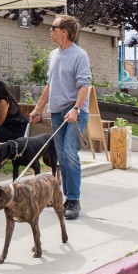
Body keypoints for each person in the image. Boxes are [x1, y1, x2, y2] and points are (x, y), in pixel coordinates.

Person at [29, 14, 90, 220]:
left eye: (53, 27)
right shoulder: (53, 55)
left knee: (70, 154)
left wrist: (76, 109)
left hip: (74, 113)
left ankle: (74, 200)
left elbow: (84, 85)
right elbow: (50, 85)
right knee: (61, 157)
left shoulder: (80, 55)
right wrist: (38, 108)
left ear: (65, 31)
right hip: (57, 113)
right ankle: (63, 198)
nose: (50, 29)